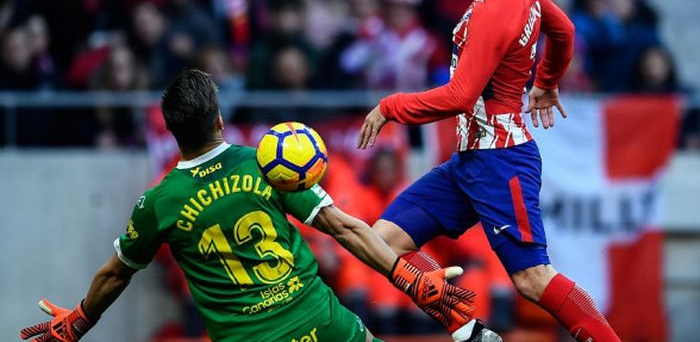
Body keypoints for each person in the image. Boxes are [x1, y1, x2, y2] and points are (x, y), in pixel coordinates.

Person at [20, 69, 483, 342]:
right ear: (220, 120)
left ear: (174, 134)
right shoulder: (264, 162)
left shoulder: (157, 202)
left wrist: (79, 322)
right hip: (320, 321)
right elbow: (343, 228)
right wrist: (410, 279)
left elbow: (114, 273)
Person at [357, 0, 622, 342]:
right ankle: (470, 333)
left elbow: (460, 96)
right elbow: (564, 30)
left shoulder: (496, 10)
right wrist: (548, 79)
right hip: (468, 163)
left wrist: (390, 107)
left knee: (532, 279)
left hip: (502, 162)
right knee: (381, 243)